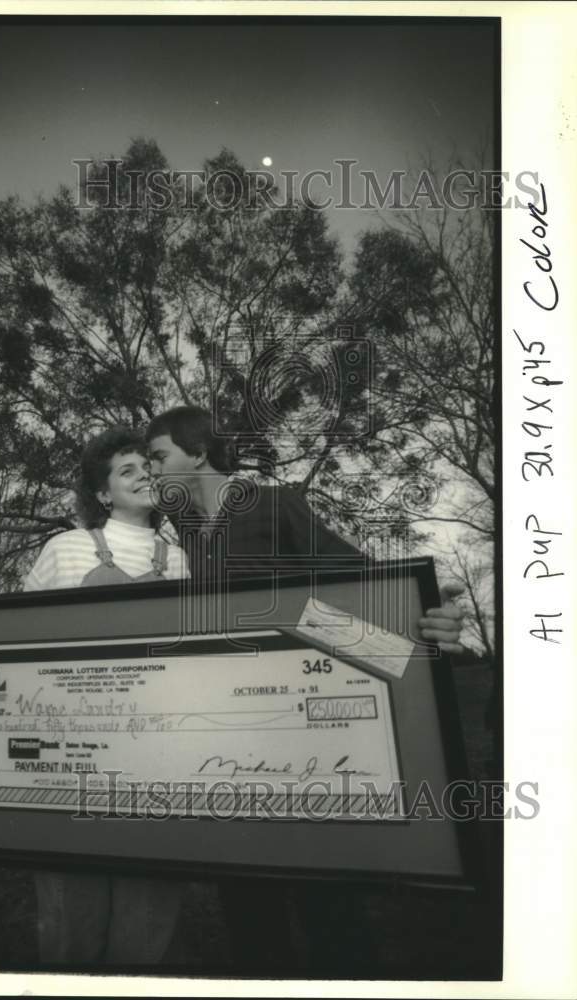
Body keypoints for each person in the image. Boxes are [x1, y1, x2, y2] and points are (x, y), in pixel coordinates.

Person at [145, 405, 465, 972]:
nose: (151, 470)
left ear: (197, 452)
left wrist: (428, 624)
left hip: (304, 745)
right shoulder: (186, 536)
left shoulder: (275, 504)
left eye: (158, 456)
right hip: (226, 750)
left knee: (330, 910)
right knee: (247, 909)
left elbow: (364, 585)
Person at [0, 427, 189, 966]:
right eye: (127, 470)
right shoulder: (65, 549)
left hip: (158, 760)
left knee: (145, 927)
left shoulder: (183, 557)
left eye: (149, 466)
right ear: (102, 493)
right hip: (70, 763)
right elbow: (10, 634)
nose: (145, 477)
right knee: (72, 922)